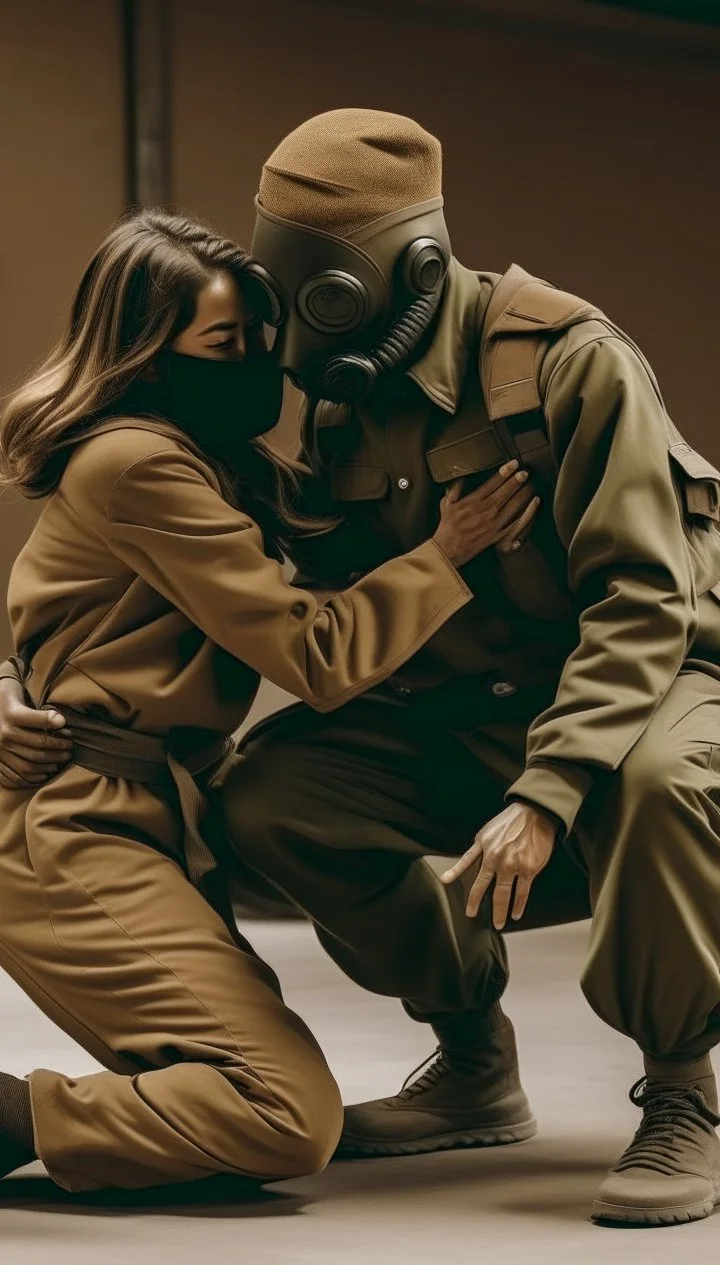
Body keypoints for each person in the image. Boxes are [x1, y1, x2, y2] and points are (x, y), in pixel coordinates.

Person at [216, 109, 720, 1227]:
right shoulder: (344, 395)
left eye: (323, 295)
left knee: (656, 784)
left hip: (640, 684)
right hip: (467, 703)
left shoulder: (569, 362)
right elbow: (344, 588)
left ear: (411, 267)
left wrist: (547, 794)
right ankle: (473, 1059)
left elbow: (645, 602)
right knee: (272, 793)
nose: (303, 325)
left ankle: (684, 1083)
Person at [0, 207, 537, 1195]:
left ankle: (473, 1060)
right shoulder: (138, 461)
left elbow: (72, 614)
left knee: (292, 822)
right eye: (223, 343)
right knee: (283, 1116)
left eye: (259, 335)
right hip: (75, 826)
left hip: (161, 810)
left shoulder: (215, 456)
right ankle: (13, 1116)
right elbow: (312, 651)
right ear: (146, 353)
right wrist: (447, 552)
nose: (253, 362)